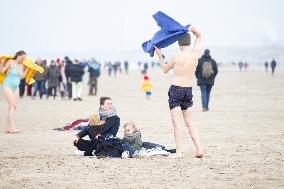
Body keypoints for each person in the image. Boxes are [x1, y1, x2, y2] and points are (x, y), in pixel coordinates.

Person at [154, 26, 203, 158]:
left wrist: (159, 56)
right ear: (188, 42)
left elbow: (165, 69)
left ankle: (179, 152)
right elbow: (199, 36)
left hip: (176, 89)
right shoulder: (195, 54)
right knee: (189, 122)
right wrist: (193, 29)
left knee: (177, 124)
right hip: (188, 90)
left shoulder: (176, 57)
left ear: (179, 43)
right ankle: (199, 149)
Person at [0, 51, 27, 133]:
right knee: (13, 106)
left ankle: (7, 128)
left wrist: (28, 69)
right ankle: (12, 127)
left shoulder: (22, 65)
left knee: (12, 107)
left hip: (16, 87)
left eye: (24, 57)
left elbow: (22, 77)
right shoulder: (11, 62)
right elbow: (2, 71)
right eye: (22, 57)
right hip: (7, 85)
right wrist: (1, 63)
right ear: (18, 56)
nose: (23, 59)